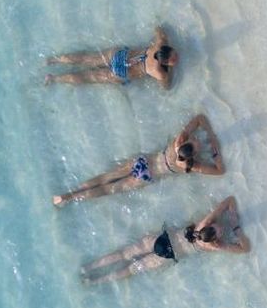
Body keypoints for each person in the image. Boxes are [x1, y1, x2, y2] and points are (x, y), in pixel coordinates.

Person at [52, 114, 224, 207]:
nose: (196, 140)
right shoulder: (189, 165)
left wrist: (202, 130)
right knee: (109, 189)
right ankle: (72, 198)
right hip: (147, 176)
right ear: (193, 155)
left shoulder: (178, 141)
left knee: (106, 177)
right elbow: (219, 171)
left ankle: (69, 194)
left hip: (143, 162)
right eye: (196, 141)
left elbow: (199, 118)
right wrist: (214, 147)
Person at [82, 196, 251, 285]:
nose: (219, 228)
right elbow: (244, 248)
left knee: (124, 254)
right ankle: (95, 281)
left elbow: (228, 200)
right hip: (168, 255)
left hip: (161, 239)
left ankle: (89, 268)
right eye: (219, 230)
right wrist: (235, 226)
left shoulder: (202, 224)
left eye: (218, 230)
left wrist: (227, 213)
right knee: (131, 270)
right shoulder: (213, 246)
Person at [45, 26, 178, 89]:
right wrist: (170, 72)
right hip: (122, 72)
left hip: (120, 55)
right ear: (165, 62)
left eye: (175, 55)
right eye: (173, 59)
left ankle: (53, 60)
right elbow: (166, 87)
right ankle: (54, 78)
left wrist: (161, 35)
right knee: (88, 77)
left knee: (87, 58)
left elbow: (158, 29)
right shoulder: (159, 72)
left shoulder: (160, 43)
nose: (177, 59)